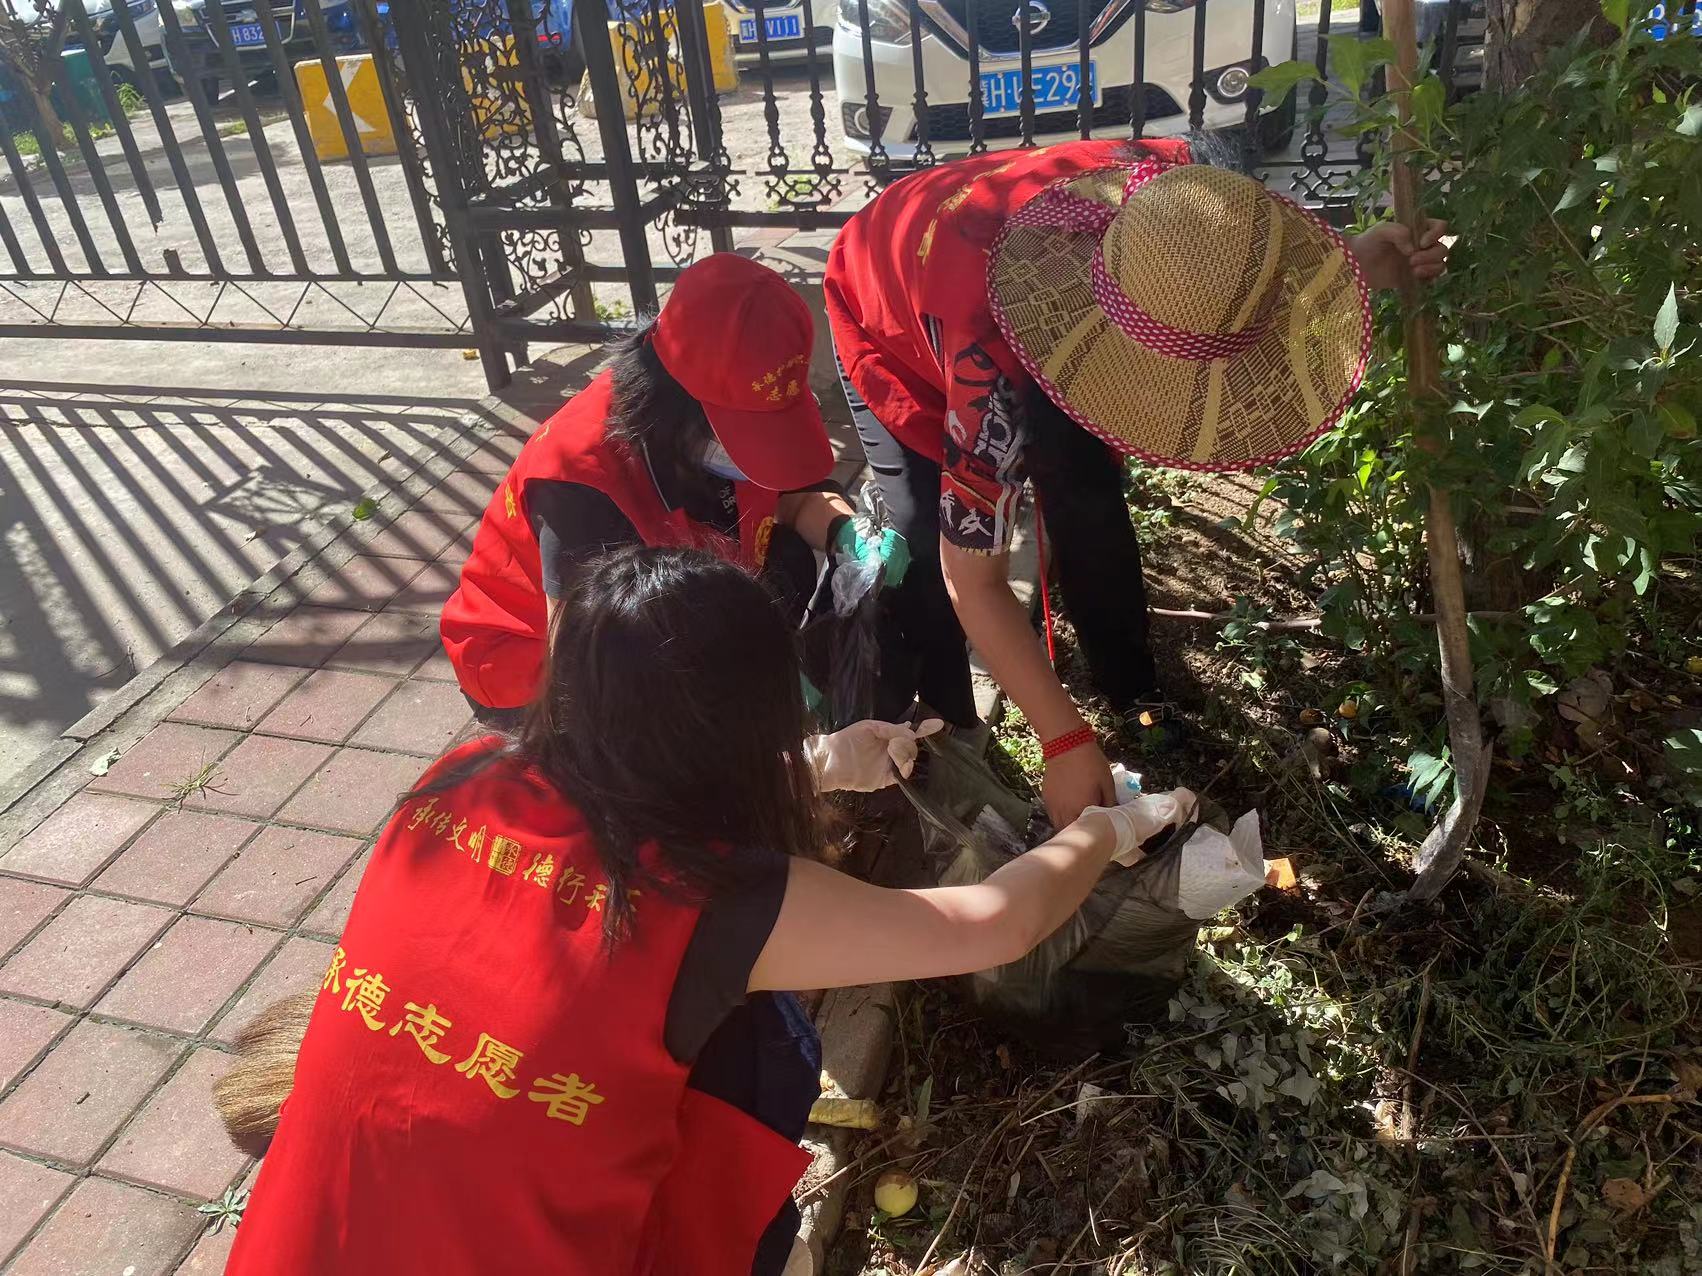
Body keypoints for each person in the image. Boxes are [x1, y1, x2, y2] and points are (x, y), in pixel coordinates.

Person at [224, 546, 1161, 1276]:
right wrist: (1109, 828)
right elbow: (994, 922)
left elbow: (621, 781)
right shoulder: (713, 903)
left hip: (297, 1248)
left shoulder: (458, 778)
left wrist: (825, 762)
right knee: (769, 1043)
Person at [823, 136, 1449, 829]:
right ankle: (950, 733)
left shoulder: (1190, 212)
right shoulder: (989, 375)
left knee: (1086, 497)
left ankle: (1132, 693)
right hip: (885, 292)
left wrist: (1354, 260)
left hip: (1010, 270)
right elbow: (971, 580)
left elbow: (1243, 284)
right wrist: (1063, 741)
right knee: (921, 538)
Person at [440, 251, 907, 726]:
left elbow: (796, 498)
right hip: (534, 664)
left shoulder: (727, 412)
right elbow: (590, 667)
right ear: (676, 408)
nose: (758, 459)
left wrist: (846, 533)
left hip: (671, 603)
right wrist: (757, 707)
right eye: (745, 434)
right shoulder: (582, 483)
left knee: (786, 561)